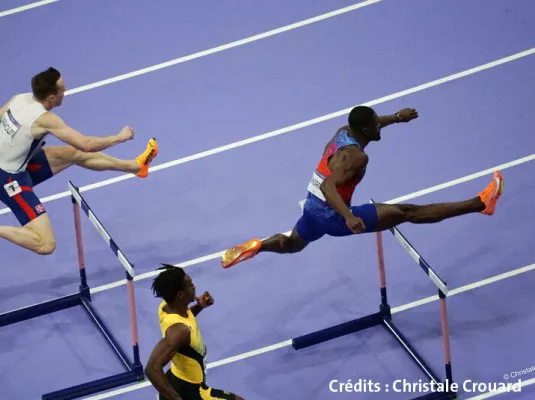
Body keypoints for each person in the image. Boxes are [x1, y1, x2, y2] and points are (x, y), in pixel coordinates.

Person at [221, 105, 504, 268]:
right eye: (377, 125)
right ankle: (481, 203)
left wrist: (396, 118)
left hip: (311, 207)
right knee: (408, 212)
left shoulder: (342, 134)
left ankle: (259, 246)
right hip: (333, 216)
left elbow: (371, 123)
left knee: (294, 243)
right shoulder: (357, 156)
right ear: (367, 130)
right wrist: (348, 216)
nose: (380, 127)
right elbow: (331, 186)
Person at [0, 67, 158, 255]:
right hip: (8, 179)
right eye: (63, 90)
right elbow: (86, 144)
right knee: (46, 244)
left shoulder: (20, 98)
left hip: (17, 163)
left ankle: (135, 167)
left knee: (74, 154)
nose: (65, 92)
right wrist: (119, 137)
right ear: (52, 97)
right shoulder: (45, 119)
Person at [146, 264, 244, 400]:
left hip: (176, 377)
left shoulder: (166, 307)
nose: (194, 286)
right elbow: (152, 368)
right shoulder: (180, 331)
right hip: (192, 391)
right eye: (190, 285)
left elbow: (184, 319)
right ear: (180, 294)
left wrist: (199, 306)